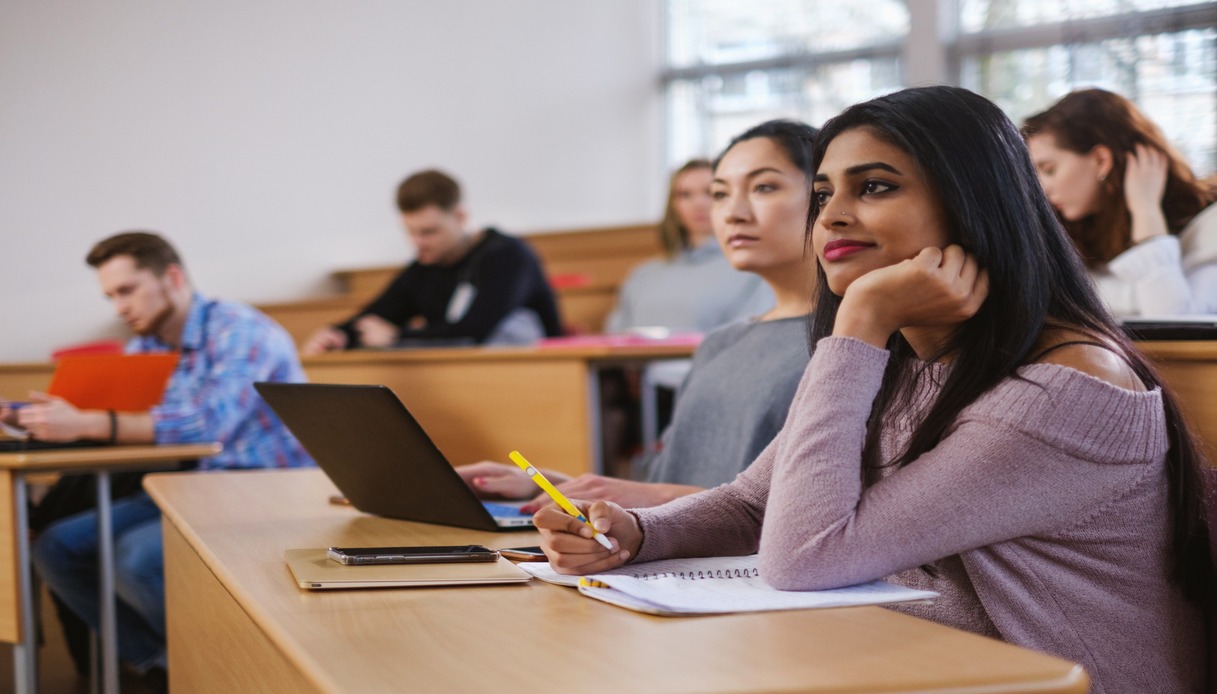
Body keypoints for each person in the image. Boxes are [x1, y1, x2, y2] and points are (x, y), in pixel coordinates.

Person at [536, 87, 1212, 692]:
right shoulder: (899, 358)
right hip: (915, 666)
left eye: (876, 187)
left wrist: (859, 321)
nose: (830, 216)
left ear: (973, 203)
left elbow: (804, 556)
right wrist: (635, 535)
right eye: (825, 192)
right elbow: (752, 503)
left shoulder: (1065, 389)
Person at [3, 231, 314, 685]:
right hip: (185, 486)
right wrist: (33, 419)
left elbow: (206, 427)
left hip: (263, 488)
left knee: (135, 558)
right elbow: (122, 422)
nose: (119, 307)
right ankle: (164, 664)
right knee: (56, 547)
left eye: (127, 291)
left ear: (171, 277)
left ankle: (226, 666)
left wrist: (89, 422)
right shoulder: (145, 345)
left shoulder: (242, 331)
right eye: (110, 296)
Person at [456, 120, 818, 511]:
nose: (733, 212)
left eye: (764, 187)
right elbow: (666, 493)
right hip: (675, 560)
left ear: (825, 196)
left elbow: (801, 512)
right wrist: (545, 485)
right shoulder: (719, 344)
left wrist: (654, 497)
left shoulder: (846, 342)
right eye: (720, 194)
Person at [302, 169, 562, 354]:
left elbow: (473, 331)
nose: (418, 242)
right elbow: (380, 313)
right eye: (410, 232)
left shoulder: (507, 256)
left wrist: (397, 337)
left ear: (460, 217)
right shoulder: (425, 266)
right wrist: (338, 334)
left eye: (429, 232)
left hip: (536, 375)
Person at [1023, 88, 1217, 316]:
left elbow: (1177, 325)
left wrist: (1146, 211)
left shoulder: (1209, 224)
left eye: (1049, 170)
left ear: (1101, 160)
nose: (1041, 189)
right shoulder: (1080, 238)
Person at [605, 158, 773, 333]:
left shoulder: (753, 271)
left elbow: (748, 339)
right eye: (684, 195)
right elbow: (617, 338)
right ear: (673, 206)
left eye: (711, 192)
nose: (698, 203)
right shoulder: (643, 276)